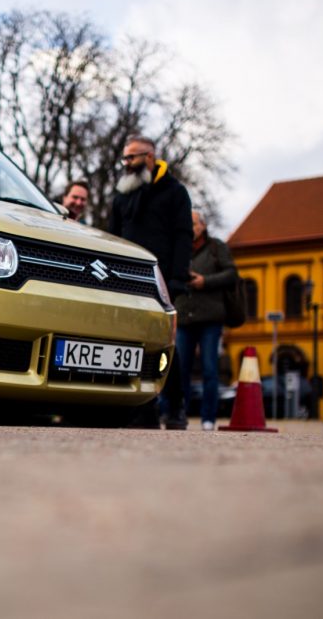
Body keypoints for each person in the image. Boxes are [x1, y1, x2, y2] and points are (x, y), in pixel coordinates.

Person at [109, 136, 193, 429]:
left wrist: (178, 278)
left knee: (165, 343)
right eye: (124, 158)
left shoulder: (174, 192)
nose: (126, 164)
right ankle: (138, 409)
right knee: (125, 339)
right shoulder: (122, 195)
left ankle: (176, 406)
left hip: (161, 281)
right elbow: (113, 237)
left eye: (131, 158)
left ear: (149, 157)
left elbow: (184, 236)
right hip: (124, 280)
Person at [174, 210, 237, 431]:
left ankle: (208, 417)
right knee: (181, 369)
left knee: (211, 369)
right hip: (184, 316)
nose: (190, 228)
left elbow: (232, 274)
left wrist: (205, 281)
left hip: (211, 317)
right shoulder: (179, 246)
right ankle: (178, 413)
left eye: (193, 224)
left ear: (202, 225)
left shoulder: (216, 247)